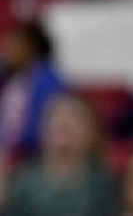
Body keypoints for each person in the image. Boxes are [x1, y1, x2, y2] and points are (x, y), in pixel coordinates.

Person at [3, 94, 121, 216]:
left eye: (75, 119)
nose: (65, 123)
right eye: (56, 118)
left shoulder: (104, 183)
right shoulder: (24, 180)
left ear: (92, 132)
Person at [0, 22, 67, 159]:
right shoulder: (9, 80)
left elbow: (44, 129)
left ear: (32, 48)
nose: (6, 50)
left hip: (33, 156)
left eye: (14, 44)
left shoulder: (50, 83)